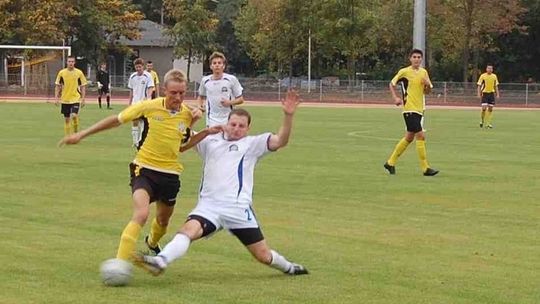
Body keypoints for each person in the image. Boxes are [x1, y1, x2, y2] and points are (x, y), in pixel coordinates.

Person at [134, 89, 309, 276]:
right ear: (226, 123)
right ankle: (161, 261)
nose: (236, 128)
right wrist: (182, 111)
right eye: (233, 124)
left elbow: (281, 140)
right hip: (209, 206)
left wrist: (288, 116)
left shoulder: (253, 144)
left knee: (263, 256)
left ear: (248, 128)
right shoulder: (210, 140)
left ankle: (289, 268)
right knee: (187, 231)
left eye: (241, 126)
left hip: (237, 209)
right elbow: (180, 134)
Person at [58, 69, 214, 267]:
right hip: (144, 169)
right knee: (141, 214)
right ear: (164, 90)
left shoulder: (187, 114)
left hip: (171, 175)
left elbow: (181, 147)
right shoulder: (148, 107)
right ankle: (119, 263)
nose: (178, 97)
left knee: (163, 222)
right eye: (174, 93)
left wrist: (202, 130)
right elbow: (116, 120)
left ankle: (152, 242)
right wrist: (81, 135)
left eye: (182, 93)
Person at [384, 49, 439, 176]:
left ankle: (390, 162)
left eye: (419, 57)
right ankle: (425, 168)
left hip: (419, 109)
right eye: (414, 57)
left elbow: (428, 91)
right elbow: (391, 84)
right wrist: (395, 98)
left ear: (421, 59)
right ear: (410, 58)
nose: (417, 59)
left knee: (409, 137)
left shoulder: (424, 72)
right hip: (409, 109)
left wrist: (427, 85)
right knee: (421, 136)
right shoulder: (404, 72)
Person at [197, 51, 244, 127]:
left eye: (219, 63)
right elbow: (201, 96)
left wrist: (229, 102)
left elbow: (241, 99)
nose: (217, 65)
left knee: (227, 138)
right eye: (214, 63)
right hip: (211, 119)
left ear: (223, 66)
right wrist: (199, 106)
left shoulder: (231, 79)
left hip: (228, 119)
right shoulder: (205, 80)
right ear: (211, 66)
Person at [55, 56, 88, 136]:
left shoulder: (79, 73)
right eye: (69, 61)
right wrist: (56, 98)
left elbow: (83, 86)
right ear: (67, 62)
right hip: (65, 99)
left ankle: (76, 131)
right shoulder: (62, 73)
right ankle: (68, 137)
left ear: (74, 62)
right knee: (67, 120)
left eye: (72, 61)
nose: (71, 63)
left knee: (74, 115)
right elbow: (57, 86)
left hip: (75, 98)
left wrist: (83, 99)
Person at [128, 58, 154, 147]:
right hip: (135, 103)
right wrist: (130, 102)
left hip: (144, 103)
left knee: (144, 122)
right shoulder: (132, 76)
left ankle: (141, 140)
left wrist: (148, 97)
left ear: (143, 66)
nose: (138, 68)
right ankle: (135, 142)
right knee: (134, 121)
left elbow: (150, 88)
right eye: (136, 67)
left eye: (139, 67)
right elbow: (131, 90)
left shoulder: (148, 76)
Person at [477, 64, 500, 128]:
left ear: (492, 69)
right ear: (486, 69)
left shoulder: (494, 76)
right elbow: (479, 85)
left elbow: (496, 86)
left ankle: (488, 123)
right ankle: (482, 120)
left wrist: (497, 94)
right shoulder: (483, 76)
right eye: (488, 68)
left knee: (490, 109)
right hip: (484, 93)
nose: (490, 70)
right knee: (484, 108)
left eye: (491, 68)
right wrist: (478, 93)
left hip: (491, 94)